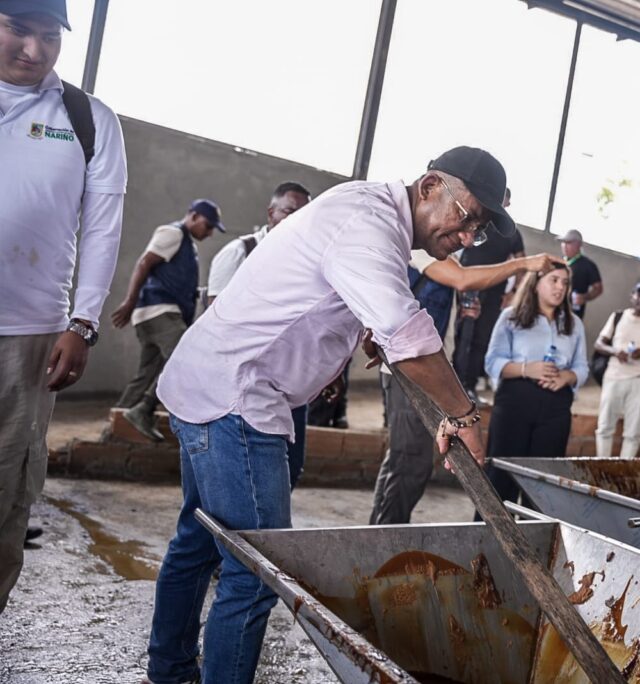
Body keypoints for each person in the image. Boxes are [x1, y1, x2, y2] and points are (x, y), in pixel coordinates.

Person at [143, 146, 511, 684]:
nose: (464, 237)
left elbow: (350, 306)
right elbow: (408, 334)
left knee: (199, 543)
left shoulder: (367, 210)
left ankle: (169, 670)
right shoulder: (369, 222)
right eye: (466, 217)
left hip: (217, 384)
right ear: (430, 185)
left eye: (476, 231)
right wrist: (464, 415)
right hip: (239, 399)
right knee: (256, 571)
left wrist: (347, 339)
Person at [0, 0, 127, 615]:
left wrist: (83, 322)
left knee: (6, 488)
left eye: (49, 36)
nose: (34, 49)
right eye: (17, 31)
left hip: (30, 337)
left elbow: (102, 228)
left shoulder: (86, 118)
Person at [370, 205, 560, 526]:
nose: (468, 238)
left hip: (426, 369)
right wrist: (523, 264)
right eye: (466, 227)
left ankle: (380, 529)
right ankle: (383, 538)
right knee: (410, 463)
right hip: (410, 369)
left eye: (476, 231)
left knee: (403, 461)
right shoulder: (419, 249)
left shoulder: (445, 257)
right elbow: (463, 281)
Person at [206, 182, 312, 488]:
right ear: (271, 212)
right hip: (244, 383)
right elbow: (217, 320)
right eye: (289, 211)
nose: (296, 220)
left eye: (304, 215)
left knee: (289, 469)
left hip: (290, 383)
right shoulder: (239, 252)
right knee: (239, 475)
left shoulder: (307, 261)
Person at [110, 199, 225, 442]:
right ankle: (143, 409)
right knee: (187, 358)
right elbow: (144, 263)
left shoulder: (185, 244)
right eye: (208, 225)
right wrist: (129, 302)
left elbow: (173, 278)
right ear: (193, 216)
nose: (210, 232)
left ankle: (114, 428)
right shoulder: (173, 232)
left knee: (145, 375)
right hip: (160, 311)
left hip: (155, 313)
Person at [483, 263, 589, 504]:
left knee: (544, 485)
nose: (560, 287)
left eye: (565, 282)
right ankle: (491, 539)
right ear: (537, 283)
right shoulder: (511, 317)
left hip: (556, 406)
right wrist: (525, 369)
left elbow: (582, 367)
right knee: (501, 478)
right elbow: (492, 362)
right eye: (554, 280)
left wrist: (568, 376)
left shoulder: (574, 324)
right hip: (515, 402)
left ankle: (536, 539)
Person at [452, 187, 524, 400]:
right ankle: (455, 385)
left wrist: (513, 292)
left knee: (481, 339)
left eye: (503, 200)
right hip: (467, 288)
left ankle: (470, 386)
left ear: (508, 204)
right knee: (462, 337)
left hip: (494, 294)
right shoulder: (473, 220)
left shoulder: (511, 232)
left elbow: (521, 263)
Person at [594, 284, 640, 458]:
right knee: (604, 427)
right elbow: (599, 344)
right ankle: (600, 468)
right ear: (632, 296)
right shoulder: (618, 316)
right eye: (638, 295)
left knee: (633, 433)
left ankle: (622, 473)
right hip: (614, 376)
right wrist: (615, 351)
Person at [558, 229, 603, 319]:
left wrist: (585, 297)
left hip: (573, 313)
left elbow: (598, 288)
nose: (565, 246)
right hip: (556, 308)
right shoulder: (560, 261)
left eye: (569, 243)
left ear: (578, 244)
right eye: (563, 242)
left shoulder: (588, 265)